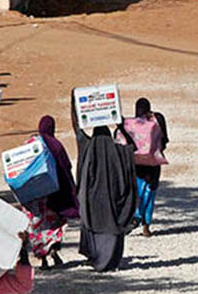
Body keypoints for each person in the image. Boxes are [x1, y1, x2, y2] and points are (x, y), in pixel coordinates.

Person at [71, 90, 138, 272]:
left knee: (96, 229)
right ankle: (111, 261)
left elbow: (77, 129)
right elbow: (134, 147)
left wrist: (75, 104)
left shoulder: (88, 148)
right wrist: (121, 125)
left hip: (94, 203)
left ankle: (97, 259)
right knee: (112, 229)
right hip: (113, 206)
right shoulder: (118, 152)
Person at [23, 115, 80, 269]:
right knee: (53, 224)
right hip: (52, 195)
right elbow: (65, 168)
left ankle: (43, 259)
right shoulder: (56, 145)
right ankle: (54, 249)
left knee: (37, 227)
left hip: (34, 196)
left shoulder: (31, 144)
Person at [122, 97, 168, 237]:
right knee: (149, 193)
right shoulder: (157, 120)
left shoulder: (130, 124)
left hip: (136, 165)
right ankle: (146, 226)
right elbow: (164, 140)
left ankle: (135, 219)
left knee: (136, 192)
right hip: (153, 164)